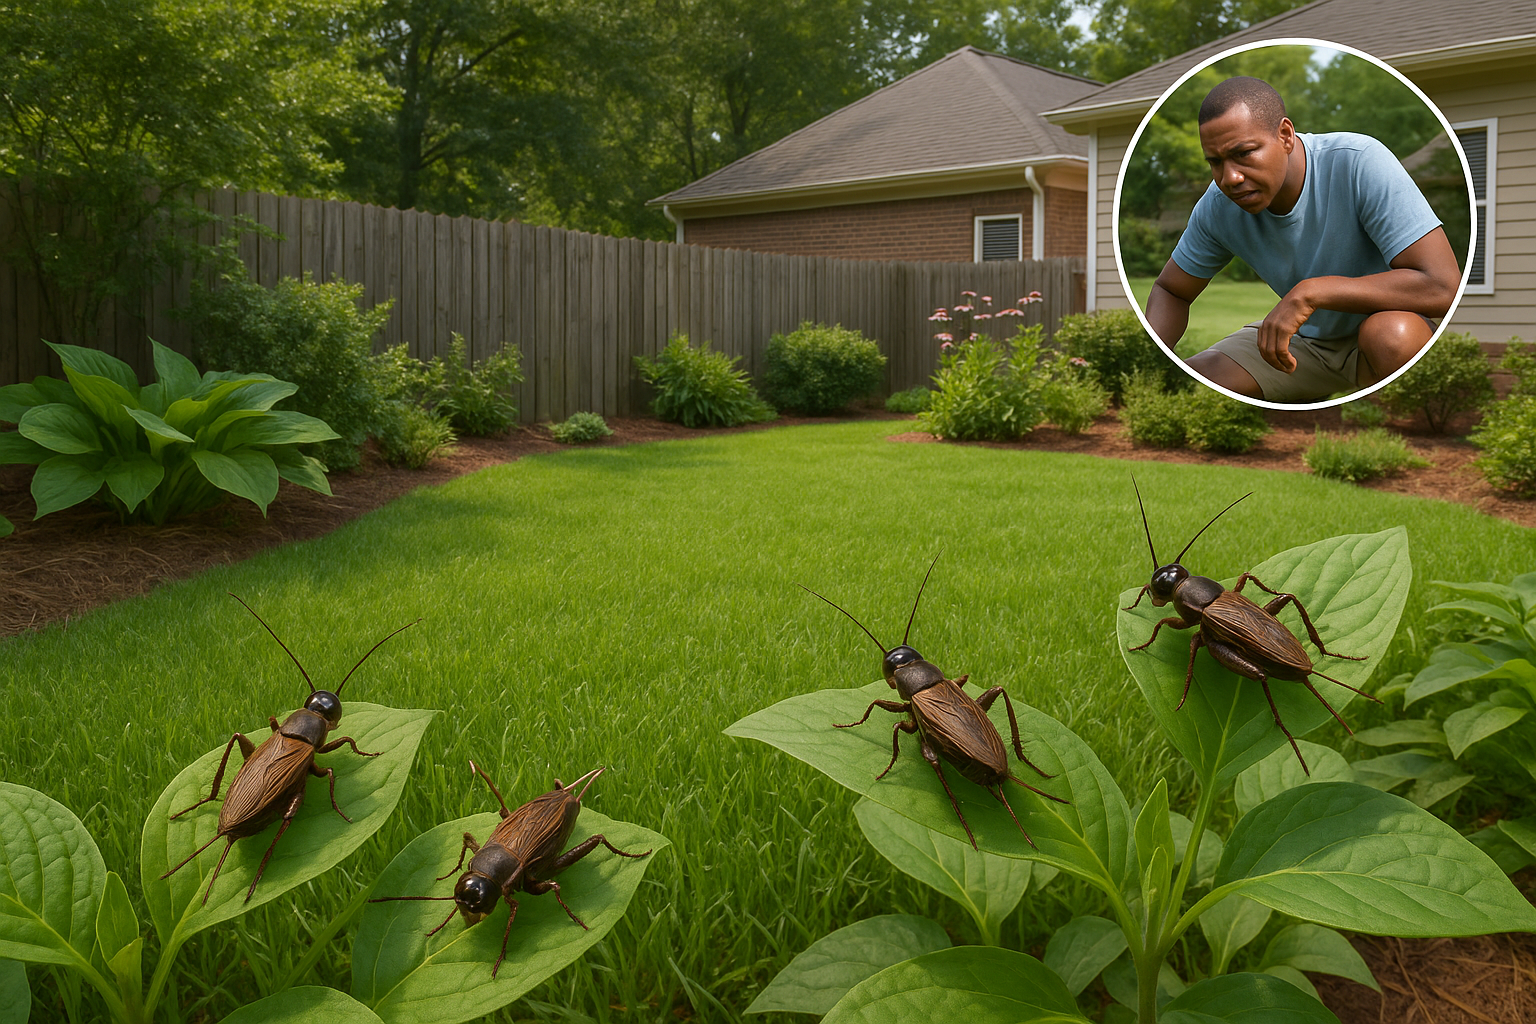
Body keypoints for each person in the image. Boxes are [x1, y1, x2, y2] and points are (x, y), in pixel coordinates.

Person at [1143, 76, 1461, 403]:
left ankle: (1393, 418)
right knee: (1195, 384)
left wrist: (1312, 292)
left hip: (1382, 334)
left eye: (1244, 153)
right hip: (1302, 345)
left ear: (1285, 135)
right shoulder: (1218, 207)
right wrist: (1147, 359)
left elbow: (1441, 285)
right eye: (1216, 162)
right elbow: (1172, 290)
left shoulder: (1358, 161)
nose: (1230, 178)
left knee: (1391, 337)